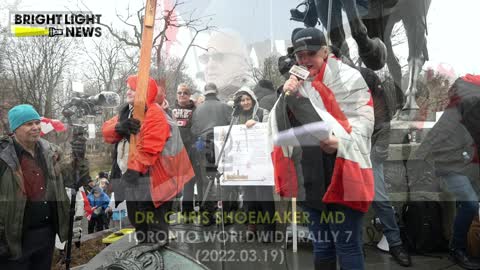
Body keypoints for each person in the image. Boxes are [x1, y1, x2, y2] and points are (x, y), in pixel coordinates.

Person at [269, 28, 374, 270]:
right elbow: (282, 130)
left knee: (347, 245)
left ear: (325, 51)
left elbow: (365, 122)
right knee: (322, 246)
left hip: (345, 172)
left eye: (311, 54)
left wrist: (342, 142)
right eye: (299, 55)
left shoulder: (348, 77)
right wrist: (288, 96)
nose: (305, 60)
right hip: (312, 178)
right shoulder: (297, 85)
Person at [102, 75, 193, 244]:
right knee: (138, 221)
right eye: (128, 88)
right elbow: (106, 131)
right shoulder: (127, 112)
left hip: (153, 180)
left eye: (133, 88)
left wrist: (133, 170)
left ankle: (158, 256)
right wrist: (119, 127)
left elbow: (150, 147)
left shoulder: (155, 113)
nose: (128, 91)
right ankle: (144, 253)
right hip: (132, 179)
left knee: (155, 225)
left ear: (143, 92)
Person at [0, 104, 89, 270]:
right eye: (28, 124)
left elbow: (74, 180)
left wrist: (80, 157)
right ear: (15, 129)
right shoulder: (3, 155)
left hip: (45, 235)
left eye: (36, 122)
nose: (35, 127)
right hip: (13, 240)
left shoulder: (51, 151)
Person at [416, 74, 480, 270]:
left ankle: (467, 246)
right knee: (470, 204)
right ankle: (456, 249)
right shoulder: (457, 111)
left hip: (470, 165)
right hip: (450, 165)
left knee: (469, 205)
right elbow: (432, 140)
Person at [232, 86, 276, 240]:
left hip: (261, 161)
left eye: (247, 99)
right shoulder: (235, 118)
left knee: (265, 196)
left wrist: (256, 124)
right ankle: (252, 226)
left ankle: (269, 229)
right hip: (244, 162)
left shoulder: (263, 112)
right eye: (242, 100)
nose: (245, 103)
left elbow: (271, 129)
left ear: (253, 99)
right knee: (249, 196)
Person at [191, 83, 233, 224]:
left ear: (205, 93)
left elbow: (194, 131)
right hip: (222, 146)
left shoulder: (198, 110)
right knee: (224, 180)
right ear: (216, 92)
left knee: (206, 181)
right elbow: (232, 125)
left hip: (205, 146)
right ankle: (224, 215)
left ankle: (207, 216)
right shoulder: (225, 107)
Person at [200, 30, 254, 101]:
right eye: (205, 58)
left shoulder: (254, 101)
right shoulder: (198, 104)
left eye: (218, 56)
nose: (209, 66)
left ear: (242, 62)